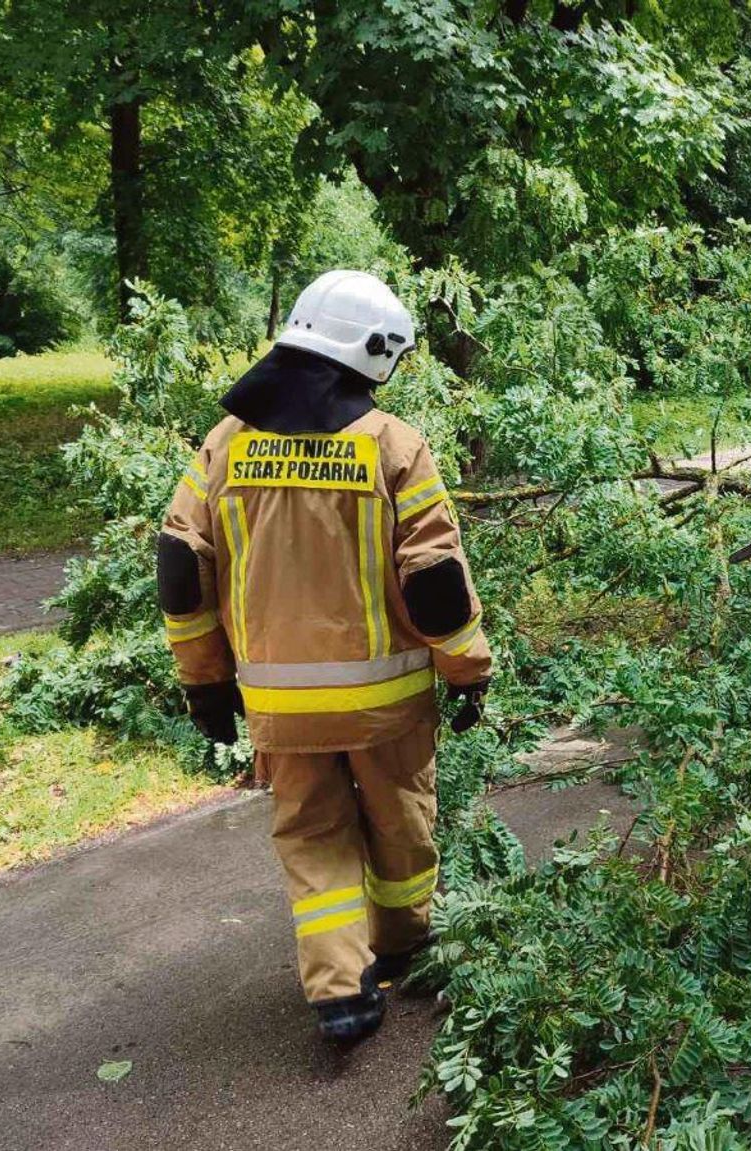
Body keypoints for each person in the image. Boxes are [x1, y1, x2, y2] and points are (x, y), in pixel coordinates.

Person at [157, 270, 493, 1042]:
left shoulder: (223, 447)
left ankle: (342, 992)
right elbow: (436, 583)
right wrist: (469, 670)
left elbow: (181, 567)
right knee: (400, 826)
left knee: (313, 837)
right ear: (370, 353)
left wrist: (204, 684)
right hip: (387, 704)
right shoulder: (393, 447)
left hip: (281, 708)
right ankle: (405, 946)